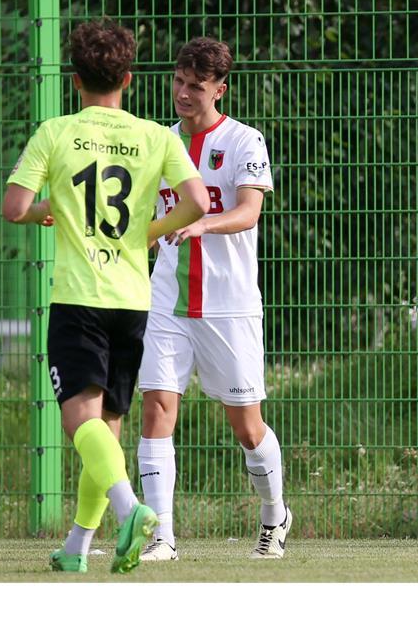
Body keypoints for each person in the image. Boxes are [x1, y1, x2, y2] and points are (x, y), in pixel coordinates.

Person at [2, 20, 208, 573]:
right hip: (133, 299)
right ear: (129, 78)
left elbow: (16, 208)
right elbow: (195, 204)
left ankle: (129, 510)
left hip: (79, 297)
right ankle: (76, 549)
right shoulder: (156, 136)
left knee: (78, 423)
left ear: (75, 80)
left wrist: (54, 210)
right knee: (108, 426)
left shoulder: (56, 131)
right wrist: (144, 233)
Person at [135, 37, 290, 561]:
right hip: (167, 300)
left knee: (247, 427)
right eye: (178, 81)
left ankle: (275, 513)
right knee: (156, 408)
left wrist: (201, 223)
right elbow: (145, 217)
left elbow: (248, 212)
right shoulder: (157, 142)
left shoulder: (245, 141)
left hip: (230, 305)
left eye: (195, 86)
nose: (183, 93)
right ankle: (161, 536)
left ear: (219, 89)